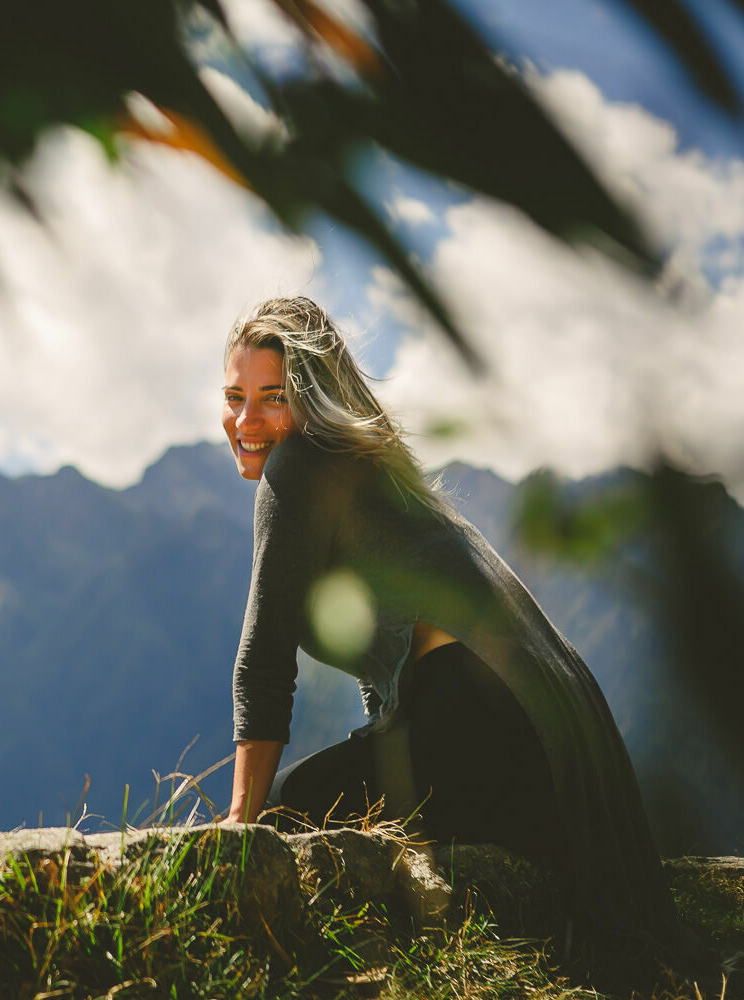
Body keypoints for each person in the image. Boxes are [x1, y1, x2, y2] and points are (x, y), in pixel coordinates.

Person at [216, 296, 681, 979]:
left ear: (312, 400)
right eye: (234, 396)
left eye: (272, 398)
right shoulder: (374, 471)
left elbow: (264, 657)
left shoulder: (301, 465)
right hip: (557, 734)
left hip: (478, 722)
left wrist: (238, 826)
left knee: (287, 808)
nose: (247, 421)